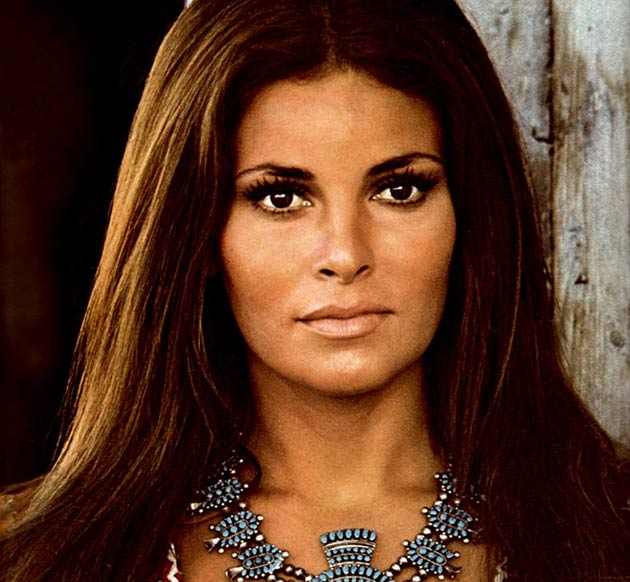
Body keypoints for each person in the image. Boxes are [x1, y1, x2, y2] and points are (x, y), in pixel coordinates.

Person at [1, 0, 628, 580]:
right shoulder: (36, 558)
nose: (345, 256)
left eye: (399, 190)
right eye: (281, 197)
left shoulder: (609, 535)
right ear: (197, 233)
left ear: (472, 216)